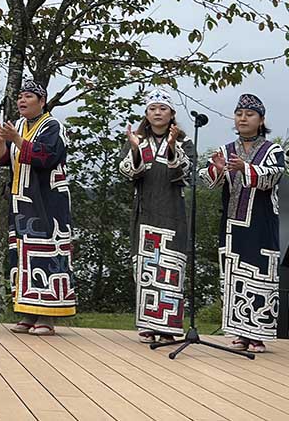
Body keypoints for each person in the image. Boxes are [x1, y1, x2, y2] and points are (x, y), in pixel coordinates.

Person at [0, 79, 77, 335]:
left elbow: (46, 156)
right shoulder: (16, 126)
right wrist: (1, 142)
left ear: (42, 101)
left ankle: (48, 317)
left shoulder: (53, 126)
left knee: (48, 253)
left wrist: (16, 139)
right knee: (23, 256)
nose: (22, 100)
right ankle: (28, 312)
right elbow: (1, 159)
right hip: (21, 203)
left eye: (29, 96)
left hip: (47, 203)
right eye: (20, 96)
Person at [200, 94, 284, 353]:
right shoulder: (225, 150)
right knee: (232, 275)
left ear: (261, 120)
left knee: (260, 276)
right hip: (231, 223)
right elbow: (207, 180)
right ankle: (238, 332)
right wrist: (216, 169)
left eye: (249, 114)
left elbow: (273, 176)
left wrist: (245, 168)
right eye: (239, 114)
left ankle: (257, 334)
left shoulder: (273, 150)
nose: (243, 118)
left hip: (261, 223)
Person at [119, 89, 194, 344]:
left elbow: (185, 174)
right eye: (153, 108)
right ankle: (149, 323)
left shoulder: (184, 142)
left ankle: (169, 326)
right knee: (146, 268)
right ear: (146, 113)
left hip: (172, 213)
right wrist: (135, 150)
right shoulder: (137, 139)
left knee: (170, 268)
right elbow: (129, 172)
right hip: (145, 214)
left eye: (163, 108)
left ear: (172, 113)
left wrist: (172, 147)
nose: (157, 113)